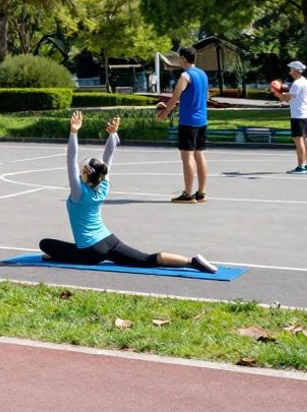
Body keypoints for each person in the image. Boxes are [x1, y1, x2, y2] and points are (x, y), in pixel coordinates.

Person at [39, 111, 217, 273]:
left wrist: (74, 132)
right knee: (146, 259)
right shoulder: (103, 186)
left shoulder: (78, 192)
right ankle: (190, 261)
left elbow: (70, 159)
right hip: (109, 240)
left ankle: (64, 256)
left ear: (85, 173)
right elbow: (108, 158)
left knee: (45, 244)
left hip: (90, 252)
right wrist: (112, 134)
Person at [155, 46, 209, 203]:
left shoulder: (185, 76)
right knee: (200, 154)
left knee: (188, 157)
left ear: (184, 59)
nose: (178, 60)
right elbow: (201, 97)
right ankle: (201, 192)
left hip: (188, 122)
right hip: (201, 120)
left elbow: (174, 97)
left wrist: (165, 113)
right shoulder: (203, 75)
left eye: (179, 57)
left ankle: (187, 193)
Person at [274, 60, 307, 173]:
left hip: (298, 115)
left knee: (298, 141)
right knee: (306, 139)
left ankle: (301, 166)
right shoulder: (305, 82)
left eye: (291, 68)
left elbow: (288, 99)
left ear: (296, 70)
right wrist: (283, 91)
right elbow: (293, 96)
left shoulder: (297, 83)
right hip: (305, 114)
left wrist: (276, 92)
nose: (289, 71)